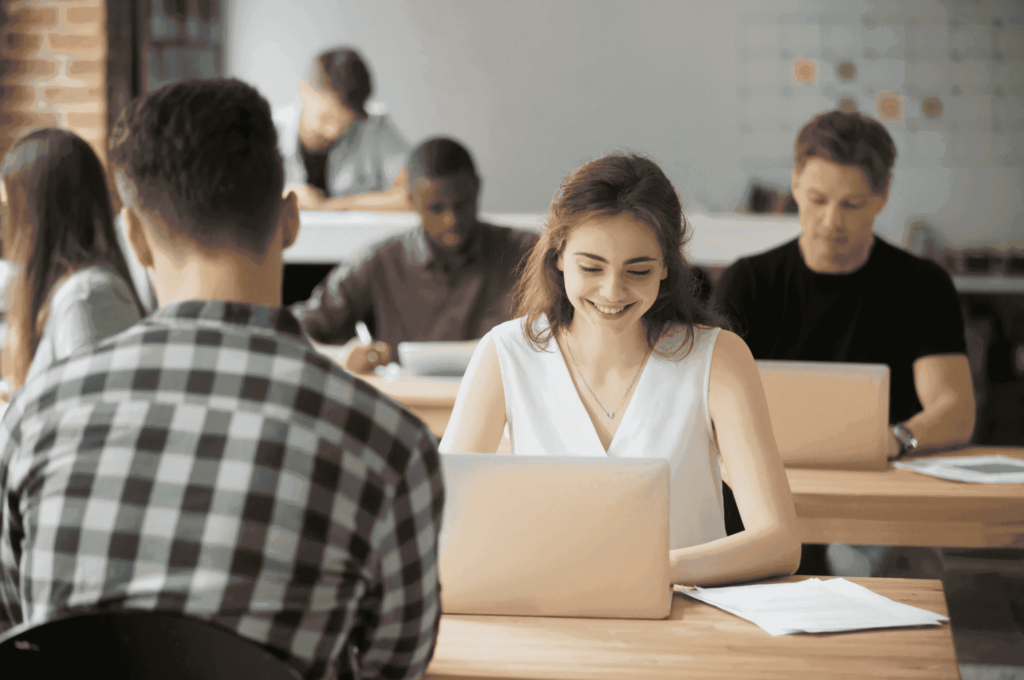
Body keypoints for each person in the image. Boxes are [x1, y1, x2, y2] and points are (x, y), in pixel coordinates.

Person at [0, 78, 444, 680]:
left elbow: (14, 633)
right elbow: (395, 669)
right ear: (289, 221)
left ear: (133, 233)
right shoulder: (390, 445)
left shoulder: (34, 416)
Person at [439, 153, 801, 587]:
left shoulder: (718, 358)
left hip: (689, 617)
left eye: (639, 270)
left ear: (667, 266)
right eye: (591, 267)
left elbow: (779, 542)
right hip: (549, 615)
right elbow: (442, 518)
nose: (612, 291)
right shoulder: (506, 352)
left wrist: (648, 570)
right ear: (558, 256)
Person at [714, 110, 975, 575]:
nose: (831, 221)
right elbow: (706, 405)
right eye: (817, 199)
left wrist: (897, 439)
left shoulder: (922, 285)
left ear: (883, 195)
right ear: (794, 185)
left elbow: (954, 409)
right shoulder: (748, 281)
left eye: (852, 204)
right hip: (761, 487)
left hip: (878, 493)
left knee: (873, 567)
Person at [292, 137, 538, 374]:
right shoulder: (380, 261)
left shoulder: (527, 253)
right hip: (406, 405)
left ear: (477, 188)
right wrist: (342, 357)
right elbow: (296, 328)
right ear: (412, 200)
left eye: (462, 204)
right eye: (436, 208)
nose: (451, 220)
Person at [0, 128, 145, 399]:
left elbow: (93, 413)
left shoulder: (88, 295)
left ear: (35, 216)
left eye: (10, 210)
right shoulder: (73, 291)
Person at [277, 46, 412, 211]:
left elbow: (412, 194)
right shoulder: (266, 129)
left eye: (346, 123)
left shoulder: (375, 125)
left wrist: (331, 206)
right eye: (325, 118)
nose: (333, 131)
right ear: (303, 91)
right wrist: (279, 197)